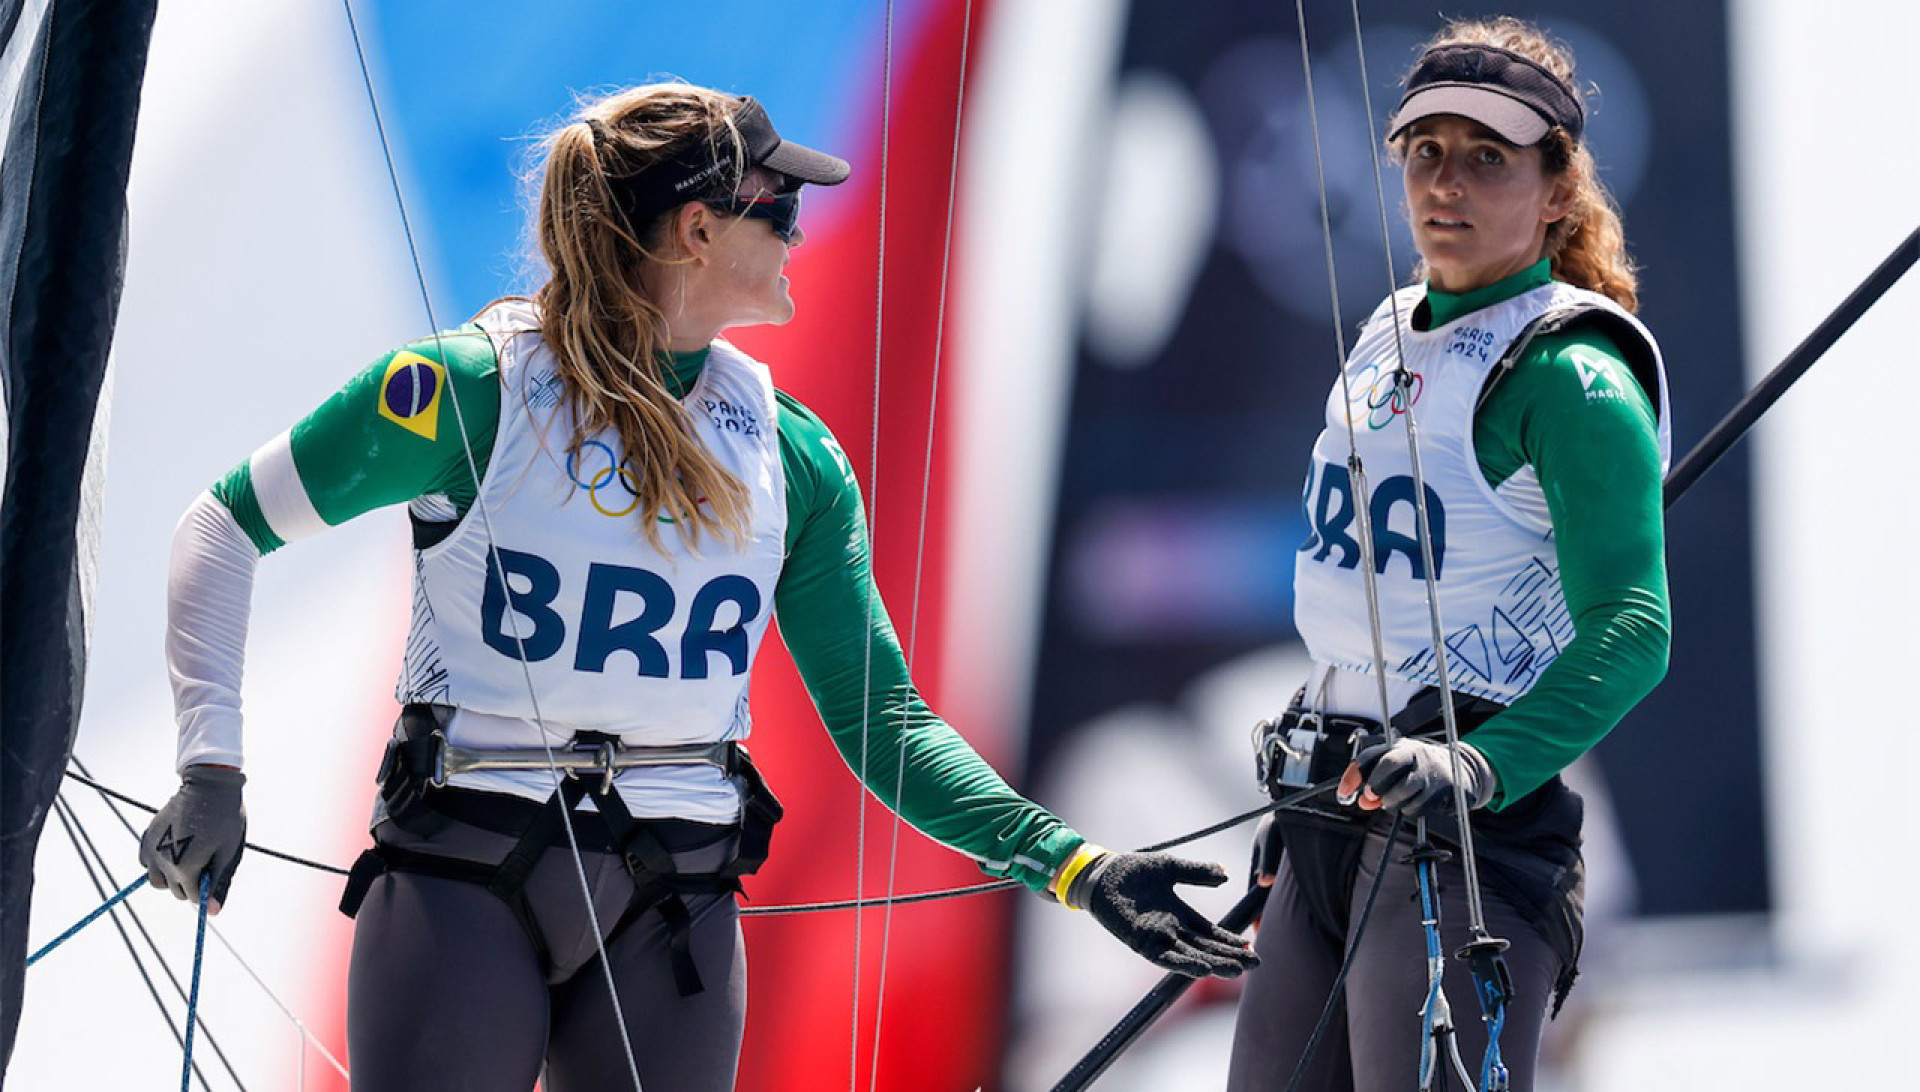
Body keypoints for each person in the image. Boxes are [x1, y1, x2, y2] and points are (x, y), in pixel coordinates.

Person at [135, 83, 1255, 1091]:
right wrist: (212, 768)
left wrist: (1074, 864)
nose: (800, 230)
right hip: (462, 875)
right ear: (697, 226)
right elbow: (221, 526)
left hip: (673, 897)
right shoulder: (461, 391)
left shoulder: (792, 452)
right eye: (779, 207)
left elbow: (887, 726)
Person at [1227, 18, 1669, 1092]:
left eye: (1488, 157)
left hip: (1461, 829)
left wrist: (1479, 764)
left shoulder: (1573, 378)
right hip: (1333, 798)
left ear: (1557, 190)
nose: (1448, 183)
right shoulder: (1390, 325)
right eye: (1427, 152)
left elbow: (1635, 631)